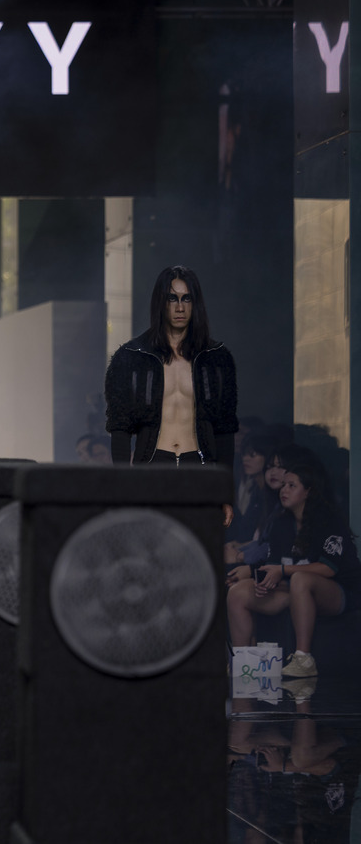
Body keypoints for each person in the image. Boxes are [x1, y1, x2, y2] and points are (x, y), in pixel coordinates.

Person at [105, 265, 238, 524]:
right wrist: (123, 484)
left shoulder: (216, 358)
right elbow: (119, 428)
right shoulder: (131, 357)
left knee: (197, 544)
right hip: (152, 466)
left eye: (186, 298)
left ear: (195, 303)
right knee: (152, 543)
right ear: (161, 303)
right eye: (172, 298)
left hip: (199, 467)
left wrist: (226, 492)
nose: (179, 307)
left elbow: (224, 430)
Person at [226, 448, 361, 679]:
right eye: (283, 485)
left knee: (301, 579)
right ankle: (244, 662)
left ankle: (303, 659)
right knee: (238, 592)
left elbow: (328, 568)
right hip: (295, 590)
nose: (284, 490)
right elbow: (274, 566)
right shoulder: (280, 523)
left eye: (292, 486)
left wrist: (282, 571)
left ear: (308, 491)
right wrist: (265, 582)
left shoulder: (328, 520)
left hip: (339, 593)